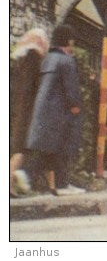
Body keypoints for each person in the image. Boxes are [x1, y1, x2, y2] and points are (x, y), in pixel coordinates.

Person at [23, 24, 85, 195]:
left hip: (43, 111)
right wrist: (76, 107)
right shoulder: (66, 60)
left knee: (49, 149)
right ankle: (62, 184)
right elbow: (71, 88)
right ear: (69, 40)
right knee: (63, 148)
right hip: (60, 112)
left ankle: (56, 186)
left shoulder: (47, 58)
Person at [10, 28, 50, 196]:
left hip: (17, 108)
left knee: (20, 148)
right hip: (25, 110)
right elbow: (29, 88)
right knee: (20, 148)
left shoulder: (19, 58)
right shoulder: (33, 57)